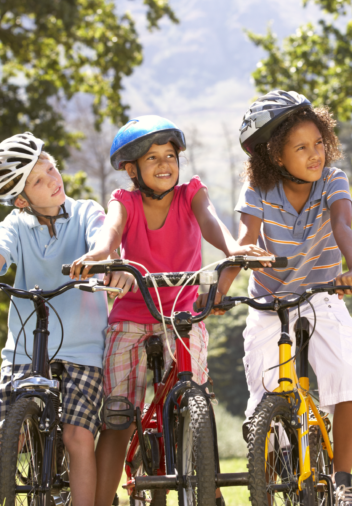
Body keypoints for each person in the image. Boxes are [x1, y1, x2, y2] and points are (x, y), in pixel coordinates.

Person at [76, 115, 266, 506]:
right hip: (131, 317)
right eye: (152, 158)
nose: (165, 165)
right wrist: (98, 254)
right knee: (119, 416)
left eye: (170, 156)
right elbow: (110, 230)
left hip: (180, 319)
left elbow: (210, 222)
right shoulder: (124, 201)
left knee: (193, 400)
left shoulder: (190, 194)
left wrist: (233, 249)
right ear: (132, 170)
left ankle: (205, 489)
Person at [0, 132, 128, 506]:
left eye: (52, 168)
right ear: (22, 198)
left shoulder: (86, 211)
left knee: (78, 437)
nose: (54, 179)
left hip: (82, 351)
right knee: (6, 440)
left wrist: (102, 260)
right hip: (24, 350)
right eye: (40, 179)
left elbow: (104, 237)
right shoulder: (16, 224)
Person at [223, 90, 352, 506]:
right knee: (263, 403)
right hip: (270, 302)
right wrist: (217, 292)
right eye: (300, 148)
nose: (315, 154)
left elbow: (342, 224)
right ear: (275, 157)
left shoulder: (332, 180)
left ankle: (342, 482)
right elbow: (245, 242)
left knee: (347, 375)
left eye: (319, 143)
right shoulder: (258, 188)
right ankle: (268, 484)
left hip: (322, 294)